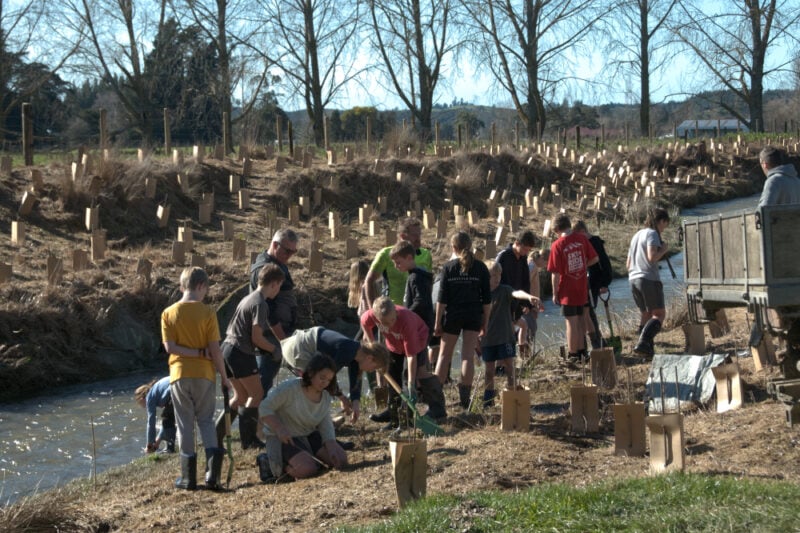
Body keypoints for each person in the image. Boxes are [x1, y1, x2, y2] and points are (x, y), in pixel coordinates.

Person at [161, 267, 233, 491]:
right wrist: (224, 376)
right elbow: (215, 349)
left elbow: (170, 347)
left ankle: (188, 478)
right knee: (206, 421)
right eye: (206, 289)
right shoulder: (208, 312)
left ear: (182, 287)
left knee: (184, 425)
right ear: (201, 286)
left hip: (179, 375)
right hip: (204, 375)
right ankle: (212, 476)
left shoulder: (168, 313)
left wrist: (193, 354)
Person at [216, 264, 284, 451]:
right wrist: (274, 349)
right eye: (279, 286)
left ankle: (216, 435)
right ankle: (249, 440)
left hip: (226, 350)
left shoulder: (248, 298)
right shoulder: (260, 304)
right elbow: (256, 337)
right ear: (274, 283)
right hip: (239, 352)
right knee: (257, 394)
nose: (278, 291)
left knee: (241, 396)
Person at [258, 355, 348, 482]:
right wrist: (279, 428)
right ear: (311, 373)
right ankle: (269, 462)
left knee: (341, 460)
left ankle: (309, 458)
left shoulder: (326, 395)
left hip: (308, 434)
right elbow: (264, 407)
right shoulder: (290, 388)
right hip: (284, 437)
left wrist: (331, 442)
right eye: (322, 378)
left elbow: (324, 421)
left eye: (329, 380)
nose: (325, 383)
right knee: (307, 469)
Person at [361, 297, 447, 427]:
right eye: (385, 323)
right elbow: (364, 323)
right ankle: (393, 413)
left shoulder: (406, 321)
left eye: (392, 320)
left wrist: (412, 385)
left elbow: (411, 357)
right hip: (394, 345)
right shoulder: (371, 315)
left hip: (417, 338)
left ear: (395, 311)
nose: (390, 325)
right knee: (393, 375)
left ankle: (436, 410)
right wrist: (373, 347)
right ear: (377, 318)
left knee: (412, 376)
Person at [279, 326, 391, 424]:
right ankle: (314, 426)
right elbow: (327, 379)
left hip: (303, 344)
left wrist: (355, 404)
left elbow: (355, 382)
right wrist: (342, 398)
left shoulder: (356, 352)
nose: (372, 371)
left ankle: (319, 424)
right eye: (375, 368)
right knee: (319, 384)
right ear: (370, 358)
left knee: (322, 382)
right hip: (298, 349)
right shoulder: (347, 351)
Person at [434, 231, 492, 410]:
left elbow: (442, 300)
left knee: (444, 356)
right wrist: (486, 322)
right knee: (467, 355)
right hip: (473, 315)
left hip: (453, 315)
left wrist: (437, 323)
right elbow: (487, 300)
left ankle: (436, 399)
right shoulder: (481, 268)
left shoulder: (449, 268)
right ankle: (465, 399)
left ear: (454, 248)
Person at [480, 261, 540, 407]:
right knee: (489, 371)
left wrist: (528, 297)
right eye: (494, 275)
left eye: (499, 275)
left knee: (509, 367)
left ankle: (512, 395)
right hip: (488, 339)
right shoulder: (481, 294)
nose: (497, 278)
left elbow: (516, 293)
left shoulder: (505, 290)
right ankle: (488, 401)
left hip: (506, 337)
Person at [249, 228, 299, 395]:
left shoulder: (279, 264)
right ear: (275, 245)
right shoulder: (264, 268)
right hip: (269, 337)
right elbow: (269, 311)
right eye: (287, 251)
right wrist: (284, 342)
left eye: (294, 251)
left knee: (266, 383)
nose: (290, 255)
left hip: (281, 334)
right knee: (261, 386)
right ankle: (252, 420)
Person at [547, 214, 599, 365]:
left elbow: (555, 273)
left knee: (571, 323)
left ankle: (573, 354)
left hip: (567, 290)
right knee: (581, 319)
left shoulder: (557, 245)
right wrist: (582, 266)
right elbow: (595, 258)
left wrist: (554, 293)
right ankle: (583, 352)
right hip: (581, 285)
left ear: (556, 229)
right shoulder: (582, 239)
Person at [627, 208, 670, 358]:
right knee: (659, 314)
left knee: (645, 314)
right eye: (665, 225)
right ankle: (643, 342)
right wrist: (663, 250)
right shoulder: (652, 234)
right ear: (661, 221)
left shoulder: (636, 235)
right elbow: (652, 257)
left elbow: (628, 264)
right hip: (648, 279)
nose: (664, 229)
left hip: (633, 278)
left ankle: (646, 351)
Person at [364, 217, 433, 308]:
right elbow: (369, 280)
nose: (418, 238)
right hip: (392, 311)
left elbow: (429, 283)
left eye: (419, 235)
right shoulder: (385, 254)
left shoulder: (426, 255)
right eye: (414, 235)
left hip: (417, 311)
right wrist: (371, 310)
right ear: (403, 236)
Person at [572, 220, 613, 350]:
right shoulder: (581, 243)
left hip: (595, 282)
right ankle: (595, 343)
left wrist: (604, 283)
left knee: (588, 311)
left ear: (583, 232)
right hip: (584, 281)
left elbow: (605, 264)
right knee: (587, 312)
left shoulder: (595, 242)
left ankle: (595, 344)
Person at [495, 230, 536, 349]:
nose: (526, 252)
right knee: (505, 332)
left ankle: (518, 355)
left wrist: (526, 303)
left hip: (517, 301)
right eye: (525, 249)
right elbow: (494, 276)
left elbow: (525, 281)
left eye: (529, 250)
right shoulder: (503, 255)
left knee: (522, 326)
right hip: (503, 300)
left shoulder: (523, 257)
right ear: (517, 243)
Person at [134, 376, 176, 454]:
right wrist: (156, 442)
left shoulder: (149, 397)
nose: (142, 406)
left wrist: (149, 444)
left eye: (140, 403)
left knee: (167, 418)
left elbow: (151, 422)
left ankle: (170, 449)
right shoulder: (156, 390)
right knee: (167, 417)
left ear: (141, 398)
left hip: (174, 389)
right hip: (181, 383)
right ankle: (169, 447)